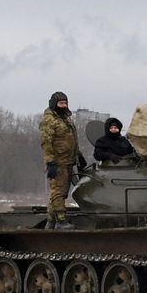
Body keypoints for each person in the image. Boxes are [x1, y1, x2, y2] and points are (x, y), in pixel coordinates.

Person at [39, 91, 86, 228]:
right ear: (54, 104)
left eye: (65, 103)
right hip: (58, 161)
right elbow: (46, 142)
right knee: (58, 191)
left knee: (60, 192)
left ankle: (51, 221)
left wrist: (79, 155)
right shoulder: (50, 120)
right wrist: (50, 162)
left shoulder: (65, 118)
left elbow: (71, 140)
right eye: (61, 103)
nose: (64, 105)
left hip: (68, 160)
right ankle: (60, 220)